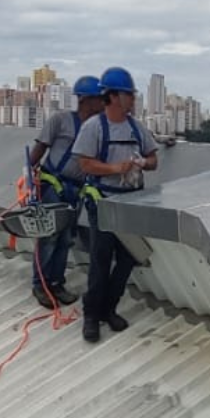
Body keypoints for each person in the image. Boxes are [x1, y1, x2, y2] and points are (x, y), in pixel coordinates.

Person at [72, 66, 159, 344]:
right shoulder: (94, 127)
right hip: (104, 201)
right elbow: (85, 163)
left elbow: (154, 159)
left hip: (131, 203)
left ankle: (109, 308)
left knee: (127, 258)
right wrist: (114, 168)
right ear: (114, 96)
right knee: (100, 259)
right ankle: (91, 315)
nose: (132, 99)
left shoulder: (136, 127)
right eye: (128, 94)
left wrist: (143, 163)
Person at [27, 75, 104, 308]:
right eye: (100, 99)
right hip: (54, 185)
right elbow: (39, 150)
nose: (103, 103)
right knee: (49, 237)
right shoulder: (61, 121)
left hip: (75, 190)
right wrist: (28, 182)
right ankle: (41, 285)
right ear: (86, 100)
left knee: (66, 238)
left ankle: (56, 283)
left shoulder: (98, 129)